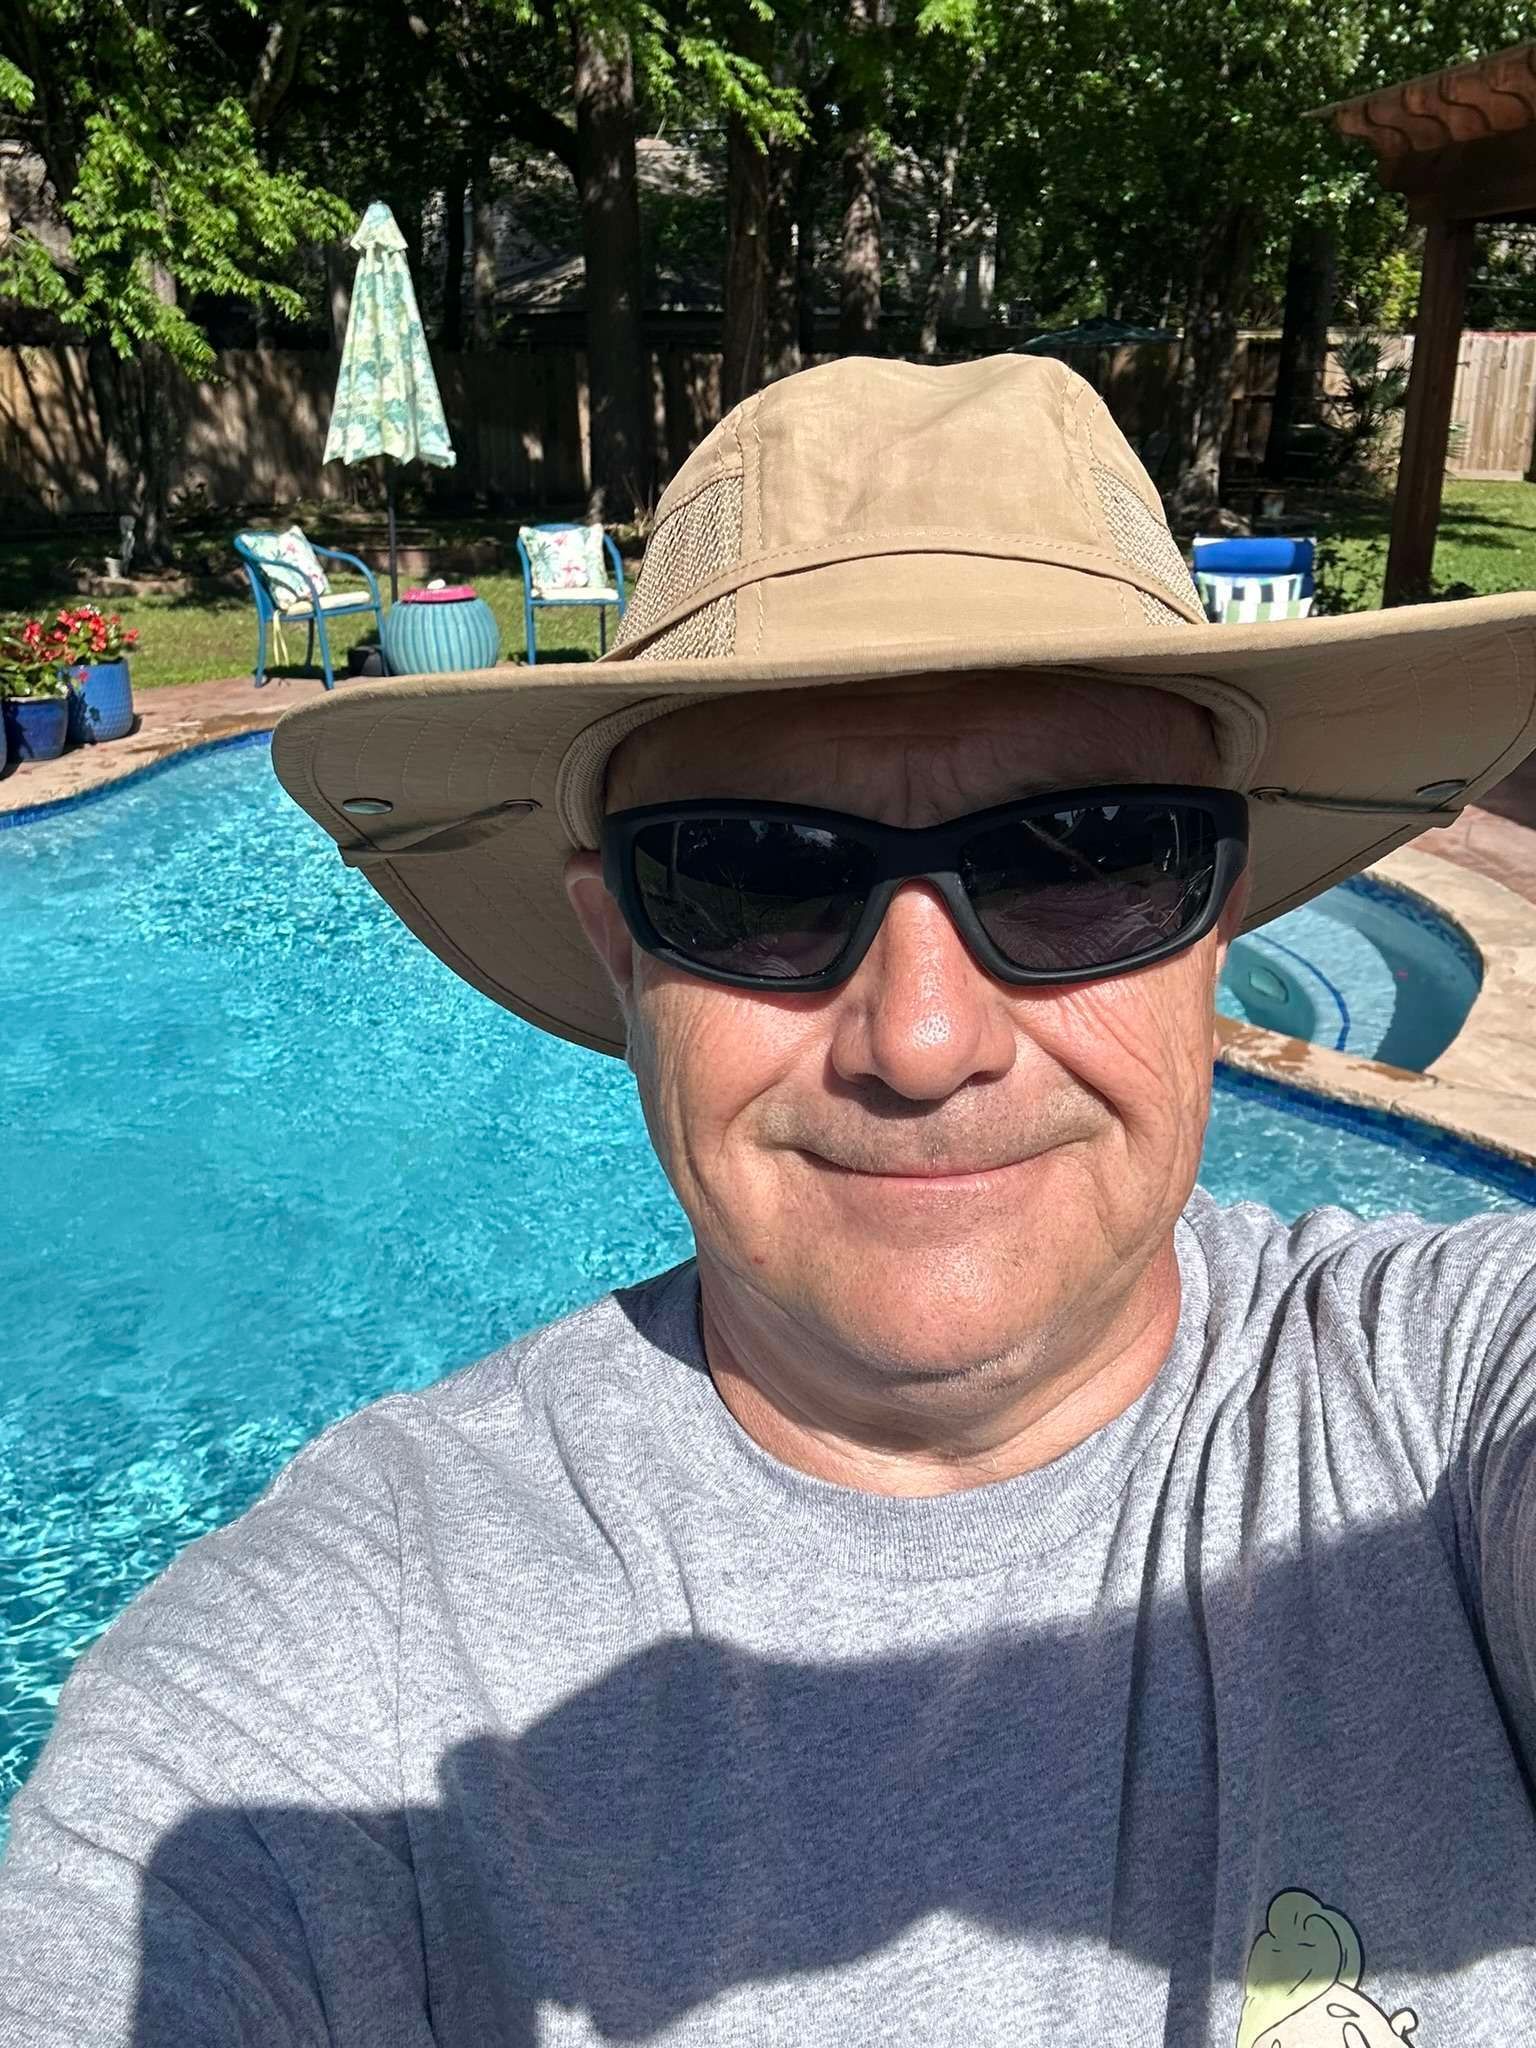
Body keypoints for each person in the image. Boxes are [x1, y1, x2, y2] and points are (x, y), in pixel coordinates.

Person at [4, 354, 1536, 2048]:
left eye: (1086, 854)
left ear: (1215, 915)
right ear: (619, 948)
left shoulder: (1454, 1410)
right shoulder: (330, 1675)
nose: (926, 1039)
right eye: (752, 878)